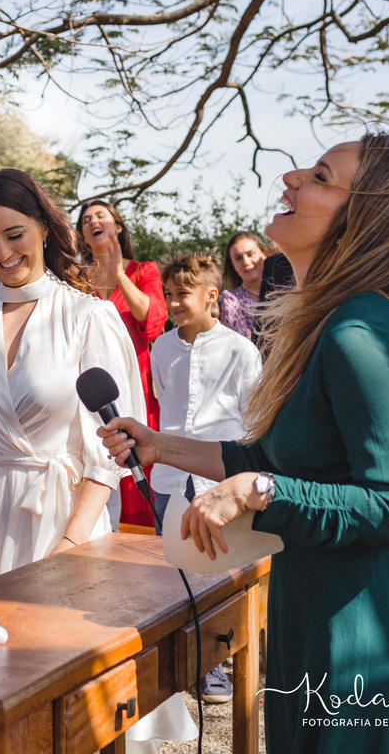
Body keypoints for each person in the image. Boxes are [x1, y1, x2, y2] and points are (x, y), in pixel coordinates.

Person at [100, 131, 389, 752]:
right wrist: (161, 446)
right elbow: (273, 460)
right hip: (308, 616)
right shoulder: (325, 325)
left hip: (363, 642)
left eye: (320, 176)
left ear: (360, 219)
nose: (291, 177)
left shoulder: (359, 334)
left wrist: (257, 489)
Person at [0, 168, 145, 583]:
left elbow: (110, 453)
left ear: (42, 227)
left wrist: (73, 542)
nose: (2, 252)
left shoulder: (88, 317)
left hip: (62, 523)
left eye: (14, 234)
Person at [149, 253, 262, 703]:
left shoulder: (240, 350)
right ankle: (173, 663)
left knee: (216, 572)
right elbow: (164, 402)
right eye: (169, 294)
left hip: (219, 476)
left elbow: (252, 417)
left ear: (211, 295)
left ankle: (214, 665)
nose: (174, 303)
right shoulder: (161, 348)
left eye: (183, 295)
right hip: (168, 477)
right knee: (171, 575)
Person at [76, 200, 167, 528]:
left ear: (118, 226)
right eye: (86, 219)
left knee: (135, 469)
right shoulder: (77, 279)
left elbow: (153, 321)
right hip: (86, 387)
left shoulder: (144, 271)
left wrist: (118, 276)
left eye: (100, 216)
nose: (92, 221)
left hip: (133, 384)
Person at [217, 231, 268, 338]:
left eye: (250, 254)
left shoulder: (287, 288)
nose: (246, 262)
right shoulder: (231, 300)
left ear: (264, 254)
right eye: (238, 258)